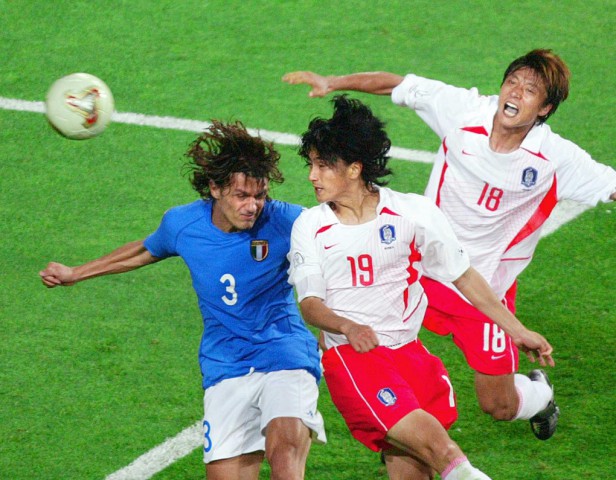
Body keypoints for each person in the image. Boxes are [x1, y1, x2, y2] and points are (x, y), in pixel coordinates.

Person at [282, 49, 616, 441]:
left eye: (530, 90)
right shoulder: (463, 111)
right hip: (419, 269)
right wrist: (333, 82)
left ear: (544, 108)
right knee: (348, 319)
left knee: (500, 405)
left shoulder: (557, 159)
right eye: (513, 82)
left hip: (482, 286)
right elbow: (397, 84)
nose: (515, 93)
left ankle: (539, 394)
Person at [39, 120, 326, 480]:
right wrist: (76, 272)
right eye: (242, 196)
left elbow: (341, 246)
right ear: (215, 189)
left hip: (285, 352)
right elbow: (144, 250)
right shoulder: (183, 224)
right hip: (225, 363)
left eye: (260, 195)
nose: (253, 206)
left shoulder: (290, 221)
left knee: (283, 449)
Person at [287, 95, 554, 480]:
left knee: (414, 470)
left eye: (323, 165)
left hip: (410, 357)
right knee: (446, 454)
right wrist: (347, 327)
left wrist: (517, 330)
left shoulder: (414, 213)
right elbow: (310, 304)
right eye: (311, 164)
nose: (312, 175)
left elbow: (464, 277)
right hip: (354, 357)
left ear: (354, 169)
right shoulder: (310, 226)